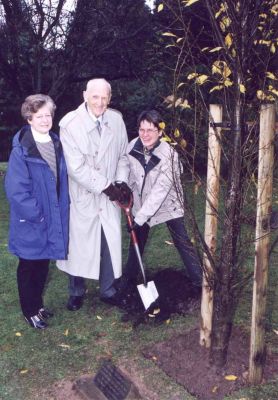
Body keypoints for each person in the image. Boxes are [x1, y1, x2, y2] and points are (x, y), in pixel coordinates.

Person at [57, 78, 131, 311]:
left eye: (104, 97)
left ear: (110, 98)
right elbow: (76, 168)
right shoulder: (69, 124)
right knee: (78, 245)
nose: (100, 102)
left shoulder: (116, 120)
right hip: (83, 195)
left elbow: (123, 156)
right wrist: (108, 187)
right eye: (95, 96)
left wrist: (121, 182)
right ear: (85, 96)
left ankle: (108, 289)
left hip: (110, 194)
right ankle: (76, 292)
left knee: (109, 241)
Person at [5, 94, 69, 329]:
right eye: (39, 116)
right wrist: (38, 215)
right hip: (32, 220)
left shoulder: (56, 142)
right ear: (29, 119)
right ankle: (29, 310)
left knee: (42, 263)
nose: (45, 120)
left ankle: (38, 305)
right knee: (29, 265)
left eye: (48, 115)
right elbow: (16, 190)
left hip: (50, 216)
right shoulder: (21, 149)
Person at [120, 109, 202, 293]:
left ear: (159, 131)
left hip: (168, 205)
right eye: (142, 129)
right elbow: (125, 164)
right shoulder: (133, 145)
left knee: (181, 241)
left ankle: (199, 280)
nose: (145, 134)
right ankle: (129, 279)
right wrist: (124, 183)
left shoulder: (169, 155)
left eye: (150, 130)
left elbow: (160, 191)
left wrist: (140, 219)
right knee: (136, 242)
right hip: (141, 204)